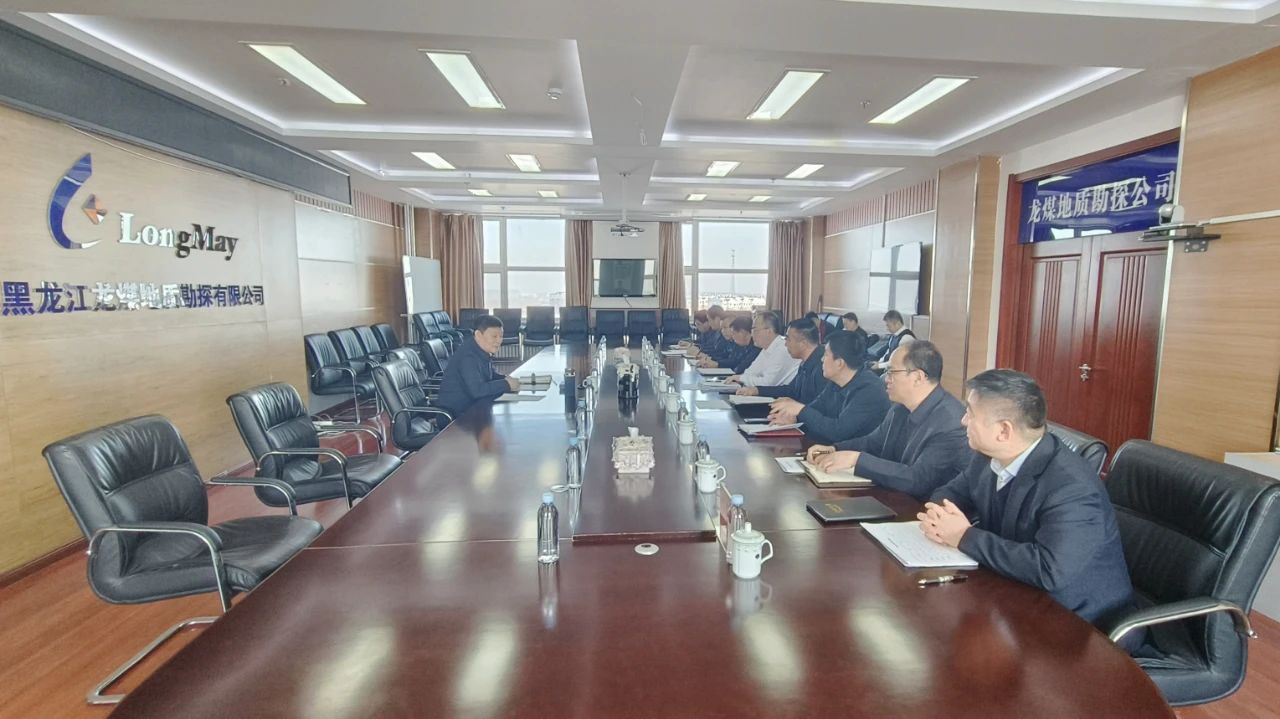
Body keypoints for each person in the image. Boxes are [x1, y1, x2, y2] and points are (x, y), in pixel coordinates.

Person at [919, 369, 1138, 642]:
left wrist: (963, 536)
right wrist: (939, 516)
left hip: (1078, 624)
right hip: (1012, 592)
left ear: (1003, 430)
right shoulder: (987, 457)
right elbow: (948, 493)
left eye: (970, 413)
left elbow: (1050, 569)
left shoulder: (1071, 486)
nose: (963, 421)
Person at [805, 341, 971, 501]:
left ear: (918, 377)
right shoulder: (900, 408)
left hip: (924, 509)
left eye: (892, 372)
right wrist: (834, 449)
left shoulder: (951, 423)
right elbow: (873, 442)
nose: (886, 379)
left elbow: (917, 479)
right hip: (893, 498)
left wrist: (856, 459)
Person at [767, 330, 889, 444]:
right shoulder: (835, 381)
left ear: (839, 363)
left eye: (825, 355)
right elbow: (816, 409)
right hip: (831, 449)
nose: (821, 359)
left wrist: (800, 409)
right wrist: (794, 418)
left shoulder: (869, 390)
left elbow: (838, 431)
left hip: (856, 455)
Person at [436, 314, 520, 417]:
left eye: (501, 336)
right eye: (494, 336)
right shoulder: (468, 356)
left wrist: (506, 379)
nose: (499, 341)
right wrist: (506, 384)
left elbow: (489, 375)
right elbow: (477, 391)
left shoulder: (479, 350)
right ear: (478, 335)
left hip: (472, 409)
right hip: (457, 416)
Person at [736, 319, 826, 403]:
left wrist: (795, 409)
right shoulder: (805, 362)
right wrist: (757, 390)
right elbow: (791, 390)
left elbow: (819, 406)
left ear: (803, 344)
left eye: (788, 339)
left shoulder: (822, 366)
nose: (785, 344)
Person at [727, 311, 800, 388]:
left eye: (755, 330)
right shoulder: (767, 348)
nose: (752, 334)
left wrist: (741, 379)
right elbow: (750, 372)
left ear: (769, 331)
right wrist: (740, 378)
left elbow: (768, 383)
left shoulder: (783, 348)